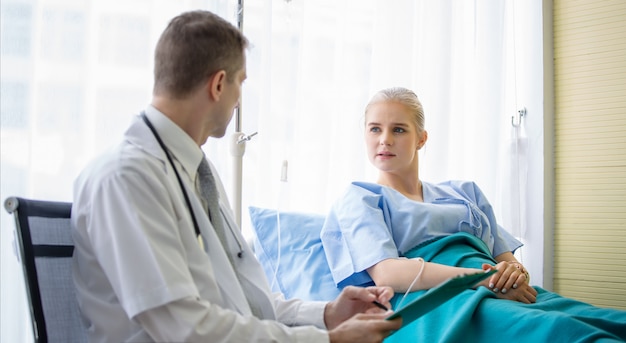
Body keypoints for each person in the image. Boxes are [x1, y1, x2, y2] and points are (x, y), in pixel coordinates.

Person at [71, 10, 401, 343]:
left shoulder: (198, 172)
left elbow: (242, 299)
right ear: (217, 84)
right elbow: (186, 328)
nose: (239, 99)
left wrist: (326, 316)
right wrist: (330, 341)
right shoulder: (127, 179)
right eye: (240, 82)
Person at [320, 87, 626, 342]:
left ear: (421, 139)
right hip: (437, 303)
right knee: (568, 334)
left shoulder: (464, 192)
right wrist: (483, 279)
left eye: (398, 129)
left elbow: (507, 262)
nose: (384, 139)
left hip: (499, 291)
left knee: (604, 320)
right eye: (375, 128)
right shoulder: (361, 198)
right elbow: (387, 273)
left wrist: (512, 275)